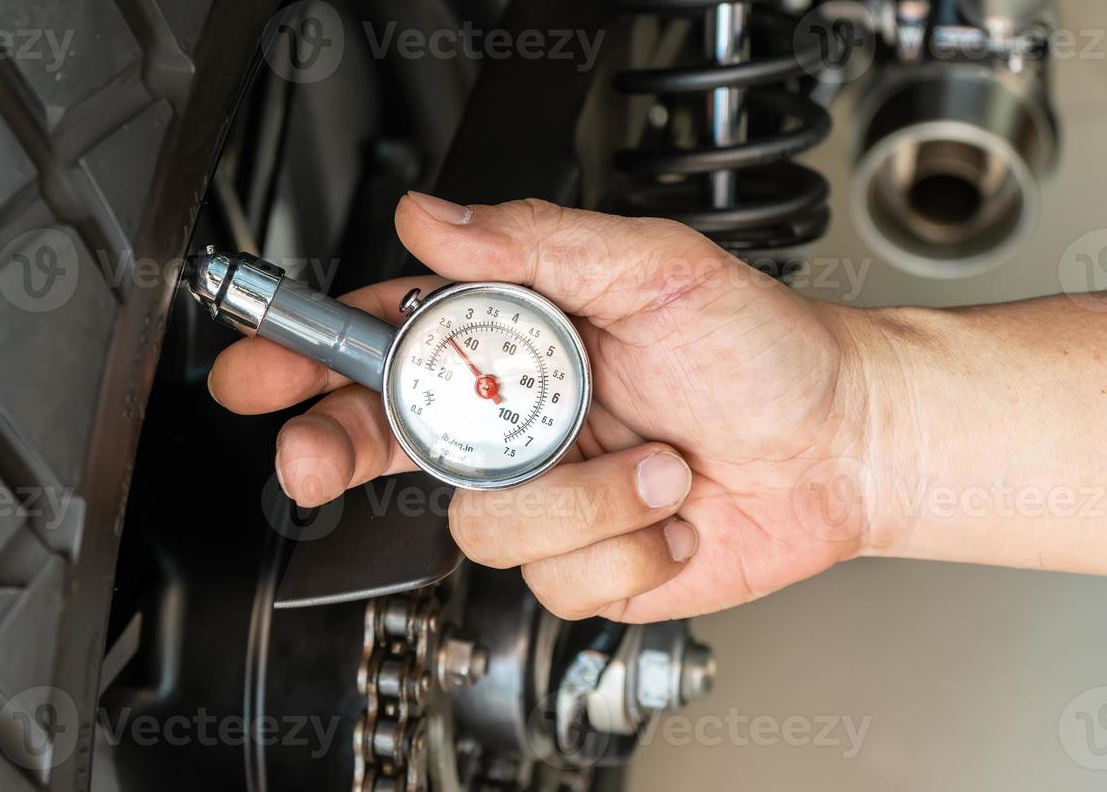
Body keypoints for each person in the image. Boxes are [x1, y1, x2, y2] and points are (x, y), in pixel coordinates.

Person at [206, 193, 1107, 623]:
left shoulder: (472, 390)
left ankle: (231, 287)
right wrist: (852, 420)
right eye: (486, 383)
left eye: (490, 383)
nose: (489, 386)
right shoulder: (459, 377)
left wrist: (858, 433)